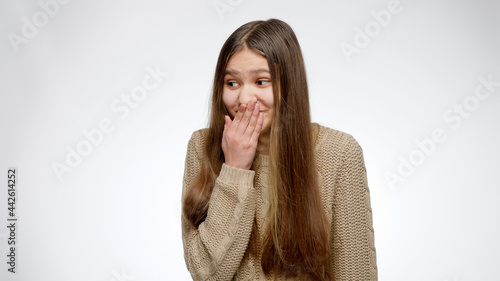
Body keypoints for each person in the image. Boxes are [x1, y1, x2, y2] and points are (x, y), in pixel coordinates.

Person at [181, 19, 377, 281]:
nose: (244, 100)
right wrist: (234, 169)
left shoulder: (338, 151)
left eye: (262, 82)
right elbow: (207, 275)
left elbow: (356, 273)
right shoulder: (201, 147)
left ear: (290, 85)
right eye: (232, 83)